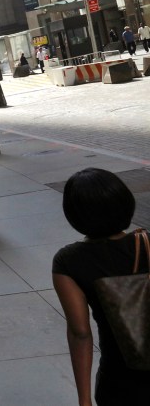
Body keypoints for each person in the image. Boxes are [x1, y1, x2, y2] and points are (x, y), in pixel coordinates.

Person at [52, 168, 150, 405]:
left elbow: (80, 333)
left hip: (121, 381)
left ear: (75, 215)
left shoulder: (69, 261)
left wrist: (84, 400)